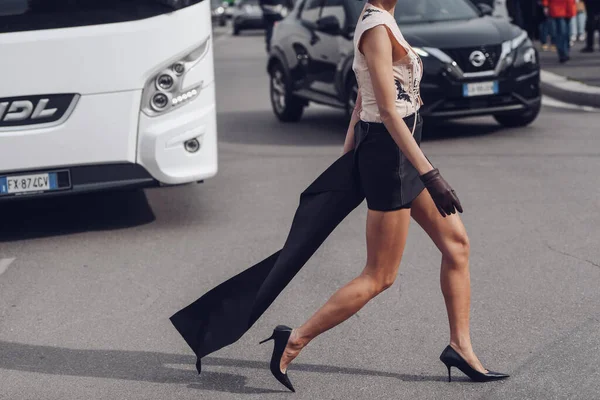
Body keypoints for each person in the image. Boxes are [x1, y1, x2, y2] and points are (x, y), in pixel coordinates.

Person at [259, 0, 510, 392]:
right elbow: (388, 113)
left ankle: (460, 348)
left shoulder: (384, 18)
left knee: (457, 245)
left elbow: (362, 99)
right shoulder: (376, 26)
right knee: (380, 275)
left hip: (400, 149)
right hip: (391, 156)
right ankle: (293, 341)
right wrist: (431, 174)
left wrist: (347, 158)